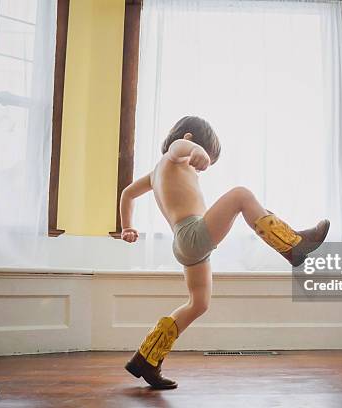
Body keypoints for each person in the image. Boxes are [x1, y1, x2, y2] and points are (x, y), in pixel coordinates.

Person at [120, 116, 330, 389]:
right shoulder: (176, 155)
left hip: (186, 243)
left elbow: (127, 194)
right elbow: (177, 148)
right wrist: (195, 151)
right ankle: (292, 245)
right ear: (189, 137)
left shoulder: (153, 175)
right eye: (205, 157)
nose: (202, 166)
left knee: (198, 303)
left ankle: (146, 359)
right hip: (191, 234)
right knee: (241, 195)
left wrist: (127, 227)